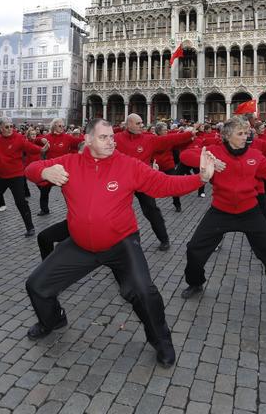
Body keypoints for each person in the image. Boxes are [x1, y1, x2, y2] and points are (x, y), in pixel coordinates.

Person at [23, 119, 215, 368]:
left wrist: (200, 179)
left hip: (121, 243)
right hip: (81, 245)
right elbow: (31, 168)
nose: (111, 141)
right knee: (36, 285)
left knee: (144, 293)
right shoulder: (68, 164)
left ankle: (161, 341)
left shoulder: (128, 165)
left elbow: (163, 185)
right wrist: (43, 172)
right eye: (103, 137)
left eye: (112, 136)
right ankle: (53, 319)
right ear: (88, 140)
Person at [178, 116, 266, 313]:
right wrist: (208, 160)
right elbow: (185, 156)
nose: (246, 136)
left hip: (250, 212)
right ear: (227, 136)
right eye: (240, 133)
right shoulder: (215, 151)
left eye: (246, 133)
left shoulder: (255, 155)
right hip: (220, 211)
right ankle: (195, 283)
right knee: (194, 249)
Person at [115, 113, 194, 250]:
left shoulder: (148, 139)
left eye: (142, 123)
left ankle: (164, 239)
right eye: (138, 123)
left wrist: (188, 134)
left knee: (151, 210)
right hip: (122, 181)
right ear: (128, 125)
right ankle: (112, 241)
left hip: (142, 181)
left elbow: (169, 140)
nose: (142, 126)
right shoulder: (116, 139)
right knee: (114, 210)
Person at [0, 117, 46, 237]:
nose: (10, 129)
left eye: (11, 126)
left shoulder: (19, 138)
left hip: (16, 175)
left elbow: (30, 148)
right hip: (0, 176)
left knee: (20, 202)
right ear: (0, 128)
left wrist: (41, 150)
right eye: (6, 126)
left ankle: (30, 227)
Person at [37, 118, 82, 215]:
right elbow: (35, 140)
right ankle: (44, 209)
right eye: (60, 126)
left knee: (68, 192)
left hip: (63, 169)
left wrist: (90, 138)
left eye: (63, 126)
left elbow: (79, 141)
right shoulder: (47, 137)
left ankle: (72, 210)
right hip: (50, 169)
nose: (62, 128)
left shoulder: (67, 137)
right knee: (44, 190)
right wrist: (41, 139)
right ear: (54, 126)